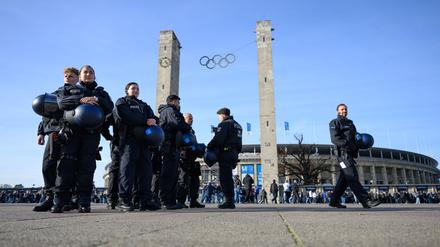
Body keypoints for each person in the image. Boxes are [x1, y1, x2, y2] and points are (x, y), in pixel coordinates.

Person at [52, 65, 113, 213]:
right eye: (85, 72)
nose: (88, 74)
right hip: (71, 132)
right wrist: (82, 100)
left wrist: (96, 99)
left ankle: (84, 202)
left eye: (91, 72)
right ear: (80, 76)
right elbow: (62, 103)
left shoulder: (101, 92)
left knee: (87, 168)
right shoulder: (70, 89)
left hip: (91, 134)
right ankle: (60, 201)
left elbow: (110, 107)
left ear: (94, 76)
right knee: (66, 166)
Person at [33, 67, 79, 212]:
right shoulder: (55, 93)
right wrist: (41, 132)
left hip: (69, 132)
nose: (68, 78)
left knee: (65, 168)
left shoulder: (80, 92)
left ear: (77, 78)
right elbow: (46, 113)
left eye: (71, 76)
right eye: (66, 75)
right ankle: (48, 197)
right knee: (47, 165)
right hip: (53, 132)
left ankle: (63, 199)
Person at [114, 82, 160, 211]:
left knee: (146, 171)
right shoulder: (122, 102)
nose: (135, 90)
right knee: (127, 170)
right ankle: (124, 200)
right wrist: (145, 121)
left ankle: (145, 200)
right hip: (129, 140)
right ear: (127, 90)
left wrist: (154, 120)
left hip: (144, 141)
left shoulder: (144, 105)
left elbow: (154, 118)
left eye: (137, 88)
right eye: (133, 88)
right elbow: (126, 116)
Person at [329, 103, 380, 209]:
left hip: (350, 154)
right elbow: (335, 139)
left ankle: (333, 201)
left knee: (344, 180)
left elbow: (356, 139)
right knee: (352, 177)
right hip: (342, 154)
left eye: (345, 109)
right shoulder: (334, 122)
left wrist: (361, 144)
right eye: (342, 109)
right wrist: (347, 145)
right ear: (338, 111)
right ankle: (366, 201)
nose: (344, 111)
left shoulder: (351, 124)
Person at [158, 95, 191, 209]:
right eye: (177, 102)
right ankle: (166, 200)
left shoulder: (171, 110)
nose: (179, 104)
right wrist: (187, 127)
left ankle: (171, 200)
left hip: (174, 145)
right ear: (172, 102)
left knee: (173, 174)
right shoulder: (170, 110)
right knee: (168, 174)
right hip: (169, 145)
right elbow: (178, 124)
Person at [207, 107, 242, 209]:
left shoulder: (224, 124)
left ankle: (229, 201)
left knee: (225, 177)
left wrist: (209, 146)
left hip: (226, 153)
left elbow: (218, 139)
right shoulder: (237, 125)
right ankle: (229, 200)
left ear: (222, 115)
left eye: (219, 116)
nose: (218, 118)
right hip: (234, 153)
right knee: (228, 176)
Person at [176, 113, 205, 208]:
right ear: (184, 119)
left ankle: (193, 200)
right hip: (184, 158)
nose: (191, 120)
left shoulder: (192, 131)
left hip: (192, 158)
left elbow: (194, 143)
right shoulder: (181, 129)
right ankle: (181, 201)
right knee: (183, 179)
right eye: (189, 119)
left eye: (192, 119)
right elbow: (179, 142)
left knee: (195, 181)